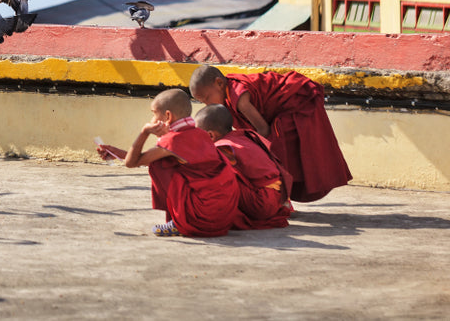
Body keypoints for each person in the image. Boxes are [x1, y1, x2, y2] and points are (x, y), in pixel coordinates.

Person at [189, 65, 351, 203]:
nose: (207, 104)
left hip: (295, 106)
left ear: (219, 83)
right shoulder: (228, 95)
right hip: (280, 112)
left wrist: (252, 152)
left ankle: (281, 201)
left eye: (207, 98)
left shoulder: (240, 98)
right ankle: (281, 199)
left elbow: (263, 130)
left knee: (276, 151)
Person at [96, 88, 239, 238]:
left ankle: (180, 222)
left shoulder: (173, 140)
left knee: (159, 166)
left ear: (168, 116)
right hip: (222, 218)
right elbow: (142, 158)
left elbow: (131, 163)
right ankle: (181, 219)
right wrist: (116, 152)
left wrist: (144, 131)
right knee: (163, 161)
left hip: (201, 218)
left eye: (153, 114)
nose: (151, 120)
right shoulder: (200, 134)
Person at [195, 104, 293, 230]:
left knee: (213, 177)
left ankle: (198, 217)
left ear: (211, 136)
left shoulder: (223, 147)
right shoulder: (243, 136)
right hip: (278, 198)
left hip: (260, 204)